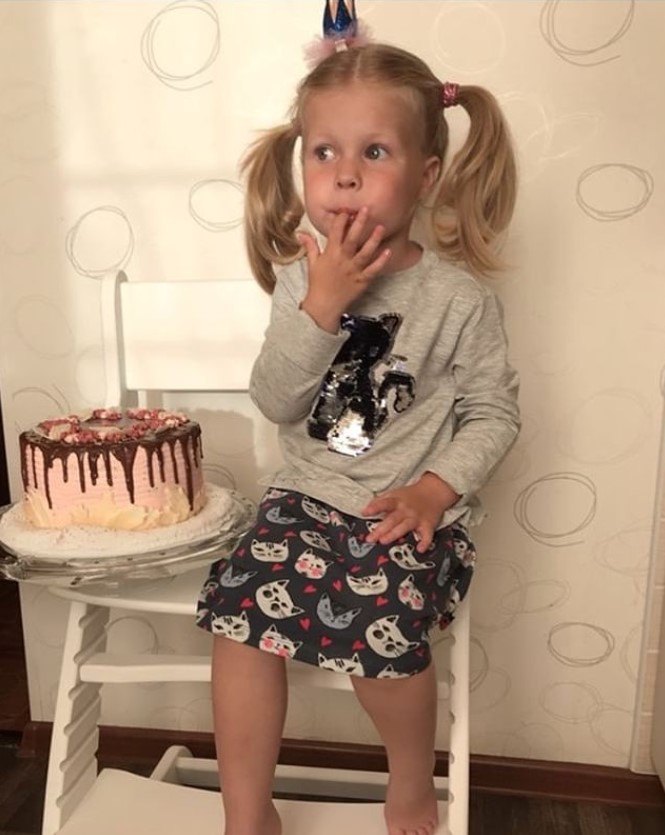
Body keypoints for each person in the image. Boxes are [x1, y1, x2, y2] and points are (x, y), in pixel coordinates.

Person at [197, 12, 520, 835]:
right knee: (238, 624)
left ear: (424, 175)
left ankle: (409, 778)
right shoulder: (298, 280)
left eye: (373, 152)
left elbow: (492, 411)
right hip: (305, 496)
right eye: (323, 152)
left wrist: (434, 490)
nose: (343, 175)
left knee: (382, 626)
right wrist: (321, 307)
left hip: (402, 508)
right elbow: (276, 399)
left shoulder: (458, 301)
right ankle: (247, 814)